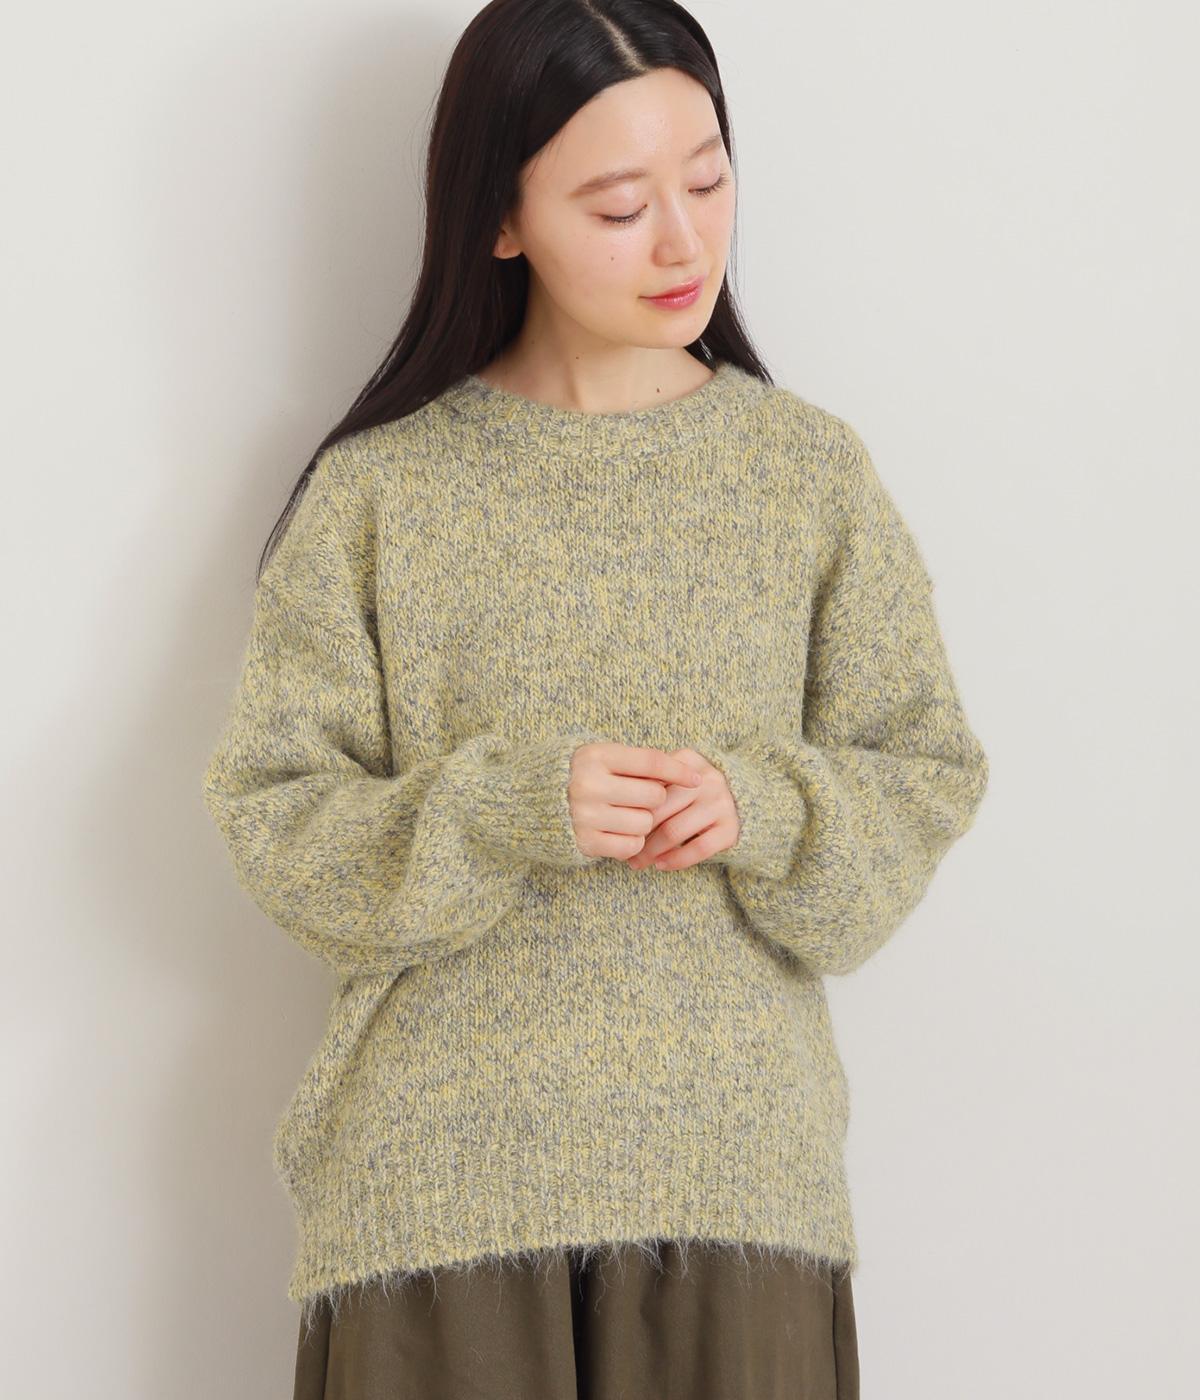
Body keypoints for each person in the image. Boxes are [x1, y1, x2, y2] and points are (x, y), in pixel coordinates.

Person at [200, 2, 989, 1396]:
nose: (685, 242)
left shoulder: (806, 474)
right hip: (435, 1194)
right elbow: (276, 816)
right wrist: (502, 808)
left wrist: (764, 807)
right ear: (501, 219)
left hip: (735, 1182)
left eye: (708, 179)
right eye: (621, 206)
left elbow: (924, 769)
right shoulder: (383, 491)